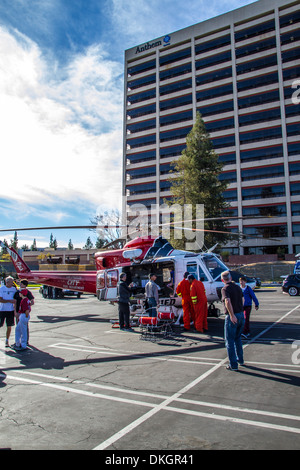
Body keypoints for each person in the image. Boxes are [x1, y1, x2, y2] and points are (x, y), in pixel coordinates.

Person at [221, 270, 245, 371]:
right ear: (231, 278)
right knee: (238, 338)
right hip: (240, 314)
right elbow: (243, 300)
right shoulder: (238, 287)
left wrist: (232, 315)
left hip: (233, 316)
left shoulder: (225, 289)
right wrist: (239, 310)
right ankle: (240, 359)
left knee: (229, 341)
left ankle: (233, 364)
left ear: (223, 280)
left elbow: (227, 301)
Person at [0, 276, 17, 347]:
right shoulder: (1, 289)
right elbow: (0, 300)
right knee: (0, 325)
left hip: (10, 310)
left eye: (13, 282)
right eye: (11, 282)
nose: (12, 283)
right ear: (7, 282)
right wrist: (9, 301)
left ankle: (7, 340)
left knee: (9, 326)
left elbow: (16, 299)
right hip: (2, 310)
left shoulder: (14, 289)